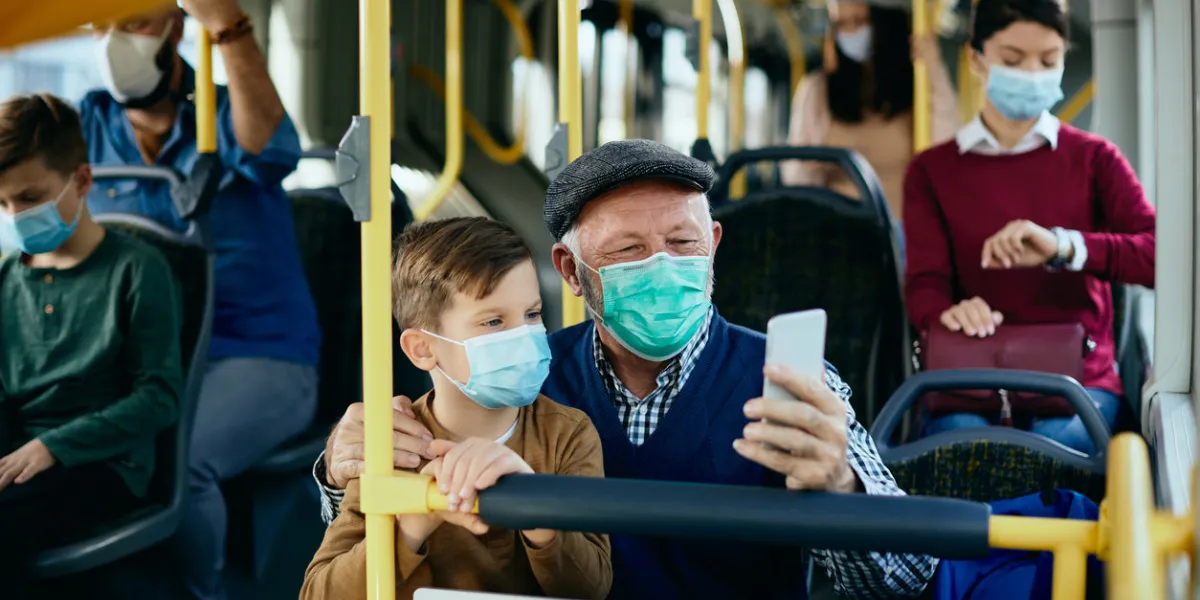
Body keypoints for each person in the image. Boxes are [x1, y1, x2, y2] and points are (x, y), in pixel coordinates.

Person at [315, 140, 938, 599]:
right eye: (628, 251)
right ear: (570, 271)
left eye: (684, 243)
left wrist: (842, 490)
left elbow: (909, 577)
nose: (663, 267)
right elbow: (382, 519)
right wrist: (342, 470)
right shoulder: (518, 372)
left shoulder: (790, 381)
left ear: (715, 245)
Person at [78, 2, 320, 597]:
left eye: (133, 24)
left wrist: (230, 29)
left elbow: (271, 151)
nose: (115, 44)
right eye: (103, 26)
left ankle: (202, 592)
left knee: (181, 457)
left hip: (259, 352)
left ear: (175, 28)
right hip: (149, 356)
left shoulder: (224, 112)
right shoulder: (90, 123)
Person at [301, 217, 611, 600]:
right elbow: (319, 593)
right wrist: (412, 523)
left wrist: (536, 505)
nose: (524, 336)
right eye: (494, 321)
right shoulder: (392, 444)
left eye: (532, 315)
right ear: (423, 349)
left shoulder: (568, 434)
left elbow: (592, 587)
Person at [902, 0, 1155, 453]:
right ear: (976, 59)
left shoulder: (1096, 160)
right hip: (970, 375)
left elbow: (1160, 256)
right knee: (959, 445)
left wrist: (1064, 247)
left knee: (1056, 449)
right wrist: (947, 313)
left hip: (1077, 378)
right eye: (1014, 61)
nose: (1033, 73)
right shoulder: (931, 171)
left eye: (1049, 60)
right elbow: (924, 285)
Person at [0, 93, 182, 597]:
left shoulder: (138, 270)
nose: (16, 216)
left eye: (31, 198)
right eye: (4, 203)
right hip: (19, 461)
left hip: (103, 464)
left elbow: (159, 398)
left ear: (81, 181)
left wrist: (53, 446)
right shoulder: (5, 280)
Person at [782, 0, 959, 221]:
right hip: (835, 228)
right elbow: (796, 174)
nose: (850, 33)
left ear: (884, 22)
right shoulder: (816, 92)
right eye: (841, 24)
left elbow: (946, 150)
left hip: (899, 230)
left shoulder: (917, 86)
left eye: (859, 21)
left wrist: (934, 70)